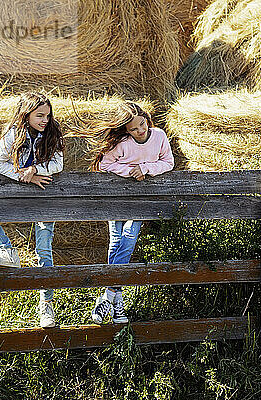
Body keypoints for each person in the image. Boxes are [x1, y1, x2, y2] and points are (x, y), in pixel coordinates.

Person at [82, 102, 174, 324]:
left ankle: (107, 295)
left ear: (147, 119)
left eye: (142, 124)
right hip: (117, 200)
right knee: (116, 242)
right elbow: (105, 165)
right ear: (126, 131)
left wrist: (146, 169)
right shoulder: (122, 143)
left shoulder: (159, 136)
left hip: (140, 202)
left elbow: (168, 162)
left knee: (129, 240)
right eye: (134, 129)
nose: (140, 130)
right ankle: (117, 304)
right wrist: (130, 173)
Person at [0, 92, 64, 328]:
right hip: (18, 193)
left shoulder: (52, 134)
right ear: (26, 115)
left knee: (44, 250)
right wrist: (25, 176)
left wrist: (35, 168)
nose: (45, 120)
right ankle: (6, 249)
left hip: (44, 199)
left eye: (47, 115)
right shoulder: (13, 134)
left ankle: (46, 305)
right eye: (39, 115)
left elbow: (58, 163)